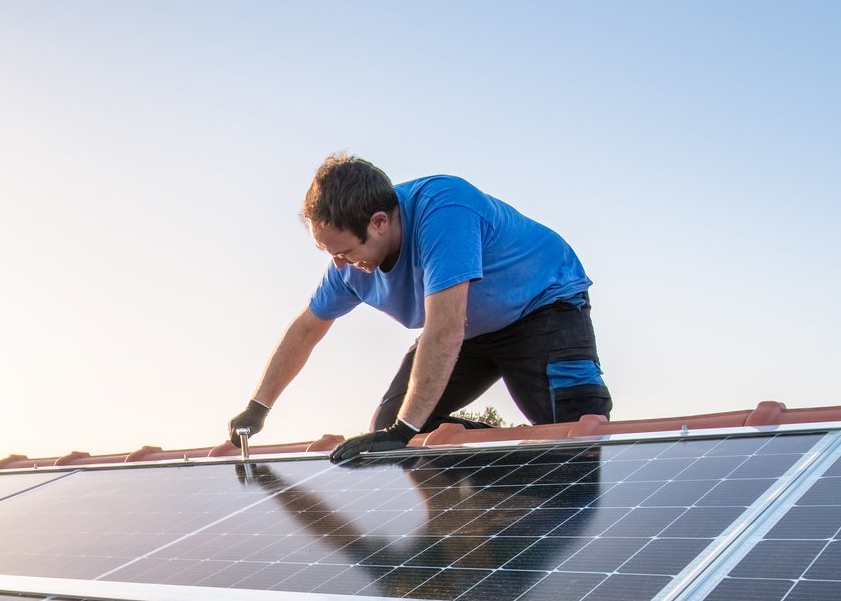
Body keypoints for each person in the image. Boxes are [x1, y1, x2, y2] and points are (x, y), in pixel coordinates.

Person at [227, 154, 611, 464]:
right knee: (390, 426)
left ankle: (545, 456)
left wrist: (403, 432)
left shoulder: (444, 210)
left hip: (540, 307)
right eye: (330, 254)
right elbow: (307, 328)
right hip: (470, 333)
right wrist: (257, 407)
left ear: (378, 223)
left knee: (577, 433)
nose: (339, 265)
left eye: (344, 251)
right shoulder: (347, 268)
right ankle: (504, 484)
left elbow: (445, 328)